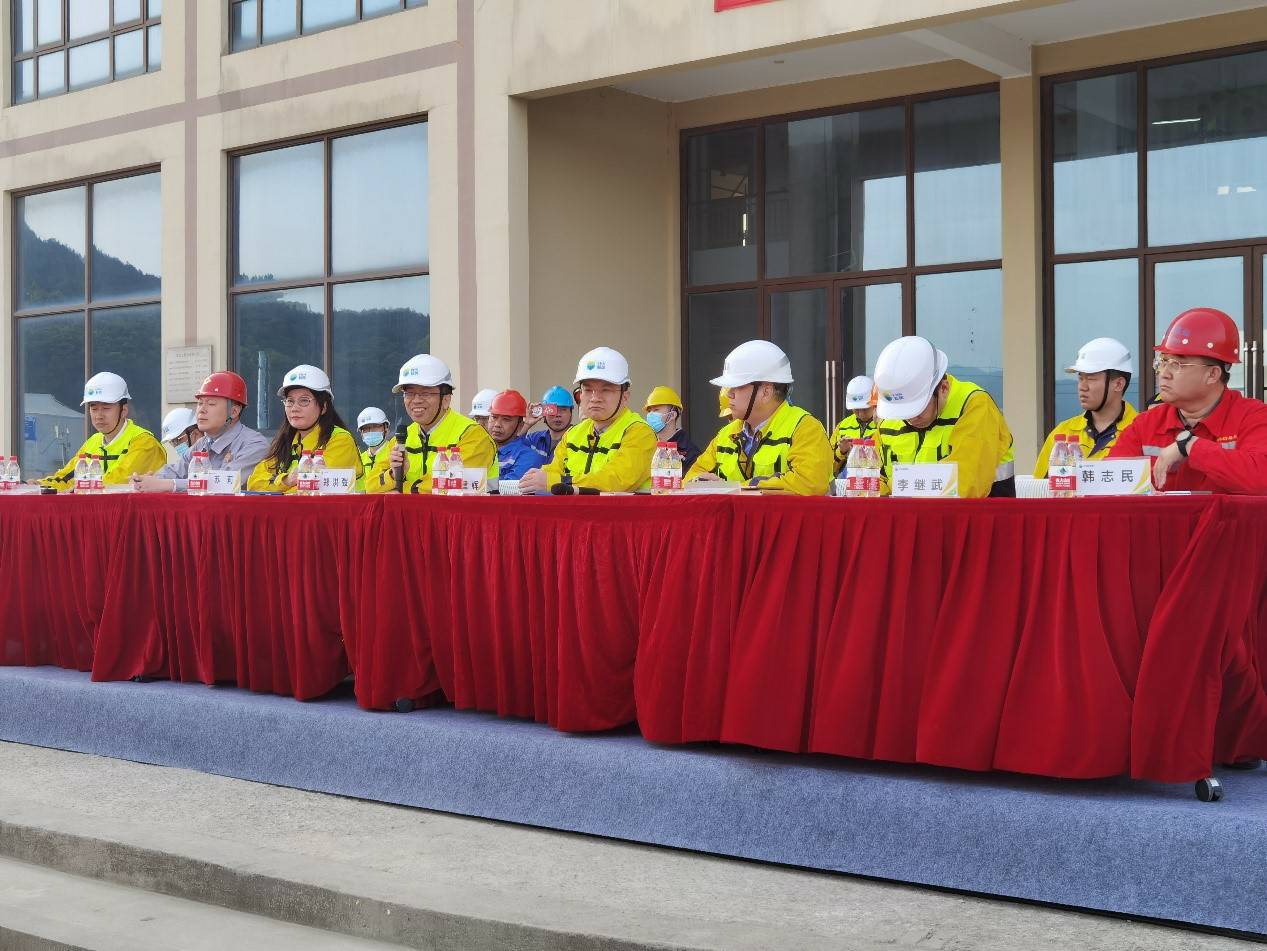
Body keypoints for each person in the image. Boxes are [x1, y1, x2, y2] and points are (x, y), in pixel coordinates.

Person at [1111, 308, 1267, 493]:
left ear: (1212, 374)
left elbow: (1261, 478)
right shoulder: (1147, 424)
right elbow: (1108, 479)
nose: (1164, 374)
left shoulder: (1252, 417)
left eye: (1177, 364)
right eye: (1163, 362)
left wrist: (1191, 447)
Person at [872, 336, 1015, 498]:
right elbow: (871, 478)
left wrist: (897, 484)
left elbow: (964, 484)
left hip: (978, 514)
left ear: (943, 388)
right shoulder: (890, 418)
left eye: (917, 408)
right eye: (902, 411)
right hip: (909, 514)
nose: (910, 418)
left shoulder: (974, 405)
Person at [686, 340, 832, 496]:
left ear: (766, 392)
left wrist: (735, 488)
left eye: (738, 386)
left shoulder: (805, 428)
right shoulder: (725, 435)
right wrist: (701, 483)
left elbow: (809, 483)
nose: (729, 394)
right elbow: (690, 479)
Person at [519, 347, 655, 494]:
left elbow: (616, 480)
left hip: (623, 510)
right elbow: (552, 472)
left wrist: (554, 481)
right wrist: (535, 479)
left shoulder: (640, 433)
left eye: (606, 390)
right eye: (588, 390)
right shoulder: (573, 434)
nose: (595, 398)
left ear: (625, 396)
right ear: (580, 395)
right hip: (575, 510)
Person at [365, 354, 498, 494]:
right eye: (409, 393)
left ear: (446, 399)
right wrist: (394, 474)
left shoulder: (473, 435)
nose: (416, 400)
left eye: (425, 393)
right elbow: (371, 486)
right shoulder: (402, 438)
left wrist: (400, 490)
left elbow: (451, 484)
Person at [134, 371, 270, 492]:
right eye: (200, 403)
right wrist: (147, 480)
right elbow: (176, 471)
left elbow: (224, 483)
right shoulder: (202, 443)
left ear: (234, 411)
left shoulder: (254, 445)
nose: (201, 410)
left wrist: (170, 485)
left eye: (211, 404)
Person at [33, 372, 167, 491]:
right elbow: (67, 477)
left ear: (124, 410)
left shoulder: (145, 442)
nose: (99, 416)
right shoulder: (93, 441)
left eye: (106, 408)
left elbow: (120, 480)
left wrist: (81, 489)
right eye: (94, 408)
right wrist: (40, 485)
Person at [245, 365, 362, 493]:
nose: (294, 408)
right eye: (290, 401)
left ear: (323, 407)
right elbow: (254, 484)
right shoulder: (286, 442)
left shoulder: (340, 440)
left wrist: (277, 487)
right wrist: (286, 480)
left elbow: (311, 490)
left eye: (304, 401)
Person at [1035, 338, 1138, 477]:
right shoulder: (1063, 434)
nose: (1082, 387)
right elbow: (1040, 487)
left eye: (1091, 379)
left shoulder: (1141, 432)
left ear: (1119, 384)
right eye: (1080, 378)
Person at [487, 389, 549, 481]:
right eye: (494, 417)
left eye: (506, 419)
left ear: (520, 425)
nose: (497, 424)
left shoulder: (528, 457)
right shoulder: (482, 449)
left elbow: (505, 489)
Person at [643, 385, 702, 471]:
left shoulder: (691, 453)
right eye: (649, 411)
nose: (651, 415)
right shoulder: (646, 446)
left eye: (656, 410)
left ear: (672, 415)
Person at [830, 375, 878, 475]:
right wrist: (842, 452)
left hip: (876, 482)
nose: (861, 414)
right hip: (848, 482)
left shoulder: (885, 425)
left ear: (875, 403)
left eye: (865, 409)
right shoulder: (843, 426)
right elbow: (828, 467)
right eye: (856, 409)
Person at [524, 386, 575, 458]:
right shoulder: (534, 439)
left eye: (563, 409)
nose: (558, 415)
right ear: (544, 413)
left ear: (571, 413)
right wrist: (526, 425)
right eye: (552, 410)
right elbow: (511, 451)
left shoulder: (578, 440)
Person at [356, 406, 392, 492]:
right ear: (361, 433)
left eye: (375, 426)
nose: (370, 431)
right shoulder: (359, 460)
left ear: (386, 428)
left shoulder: (395, 453)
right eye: (366, 428)